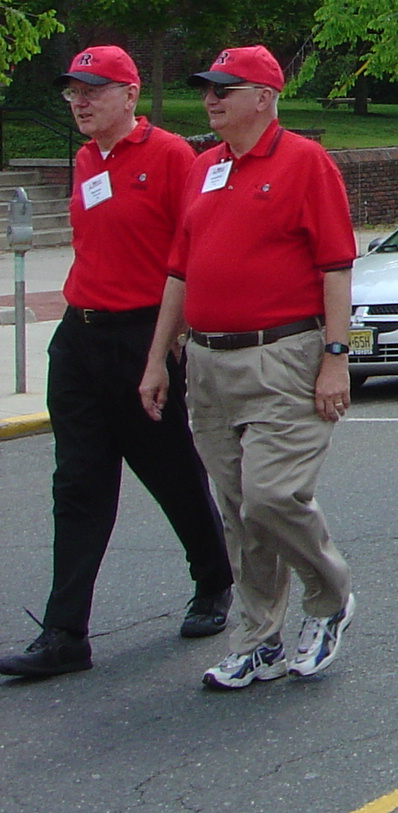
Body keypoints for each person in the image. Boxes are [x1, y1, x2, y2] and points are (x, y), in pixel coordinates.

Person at [0, 48, 234, 681]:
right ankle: (64, 633)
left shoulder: (170, 159)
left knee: (170, 471)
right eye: (73, 92)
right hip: (79, 340)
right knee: (77, 484)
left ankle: (214, 581)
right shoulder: (84, 160)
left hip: (143, 340)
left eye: (94, 91)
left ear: (130, 95)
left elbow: (190, 252)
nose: (80, 102)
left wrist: (170, 342)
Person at [137, 46, 358, 690]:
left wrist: (334, 360)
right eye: (207, 88)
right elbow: (180, 269)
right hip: (206, 360)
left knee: (271, 496)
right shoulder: (204, 169)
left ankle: (330, 598)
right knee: (239, 511)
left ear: (263, 97)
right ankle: (258, 638)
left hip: (283, 355)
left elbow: (336, 267)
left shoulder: (304, 162)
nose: (211, 99)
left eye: (225, 89)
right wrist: (157, 359)